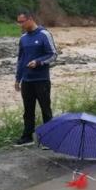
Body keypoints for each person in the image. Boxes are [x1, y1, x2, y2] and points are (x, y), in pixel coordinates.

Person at [13, 10, 58, 146]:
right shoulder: (23, 38)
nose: (20, 24)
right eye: (18, 22)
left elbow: (53, 55)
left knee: (45, 109)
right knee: (28, 110)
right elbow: (20, 59)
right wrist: (17, 78)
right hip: (27, 80)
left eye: (22, 21)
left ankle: (49, 139)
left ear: (30, 19)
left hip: (41, 80)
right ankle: (27, 137)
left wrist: (38, 62)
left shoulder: (44, 34)